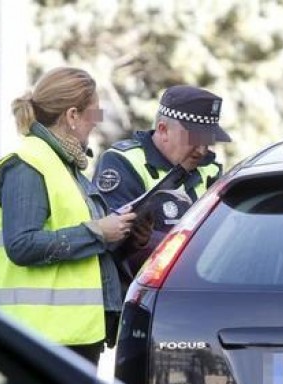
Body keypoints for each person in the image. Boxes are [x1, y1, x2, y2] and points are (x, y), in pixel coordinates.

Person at [0, 66, 150, 366]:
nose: (96, 125)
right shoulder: (28, 164)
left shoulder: (65, 166)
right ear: (72, 116)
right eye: (94, 115)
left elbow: (80, 242)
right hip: (40, 338)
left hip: (73, 335)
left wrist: (124, 235)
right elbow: (21, 246)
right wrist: (98, 232)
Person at [92, 84, 232, 285]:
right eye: (194, 139)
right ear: (163, 130)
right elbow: (112, 243)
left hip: (197, 291)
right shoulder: (124, 162)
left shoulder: (210, 170)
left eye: (208, 140)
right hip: (141, 297)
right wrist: (142, 241)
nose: (201, 151)